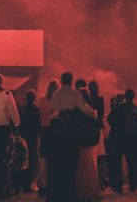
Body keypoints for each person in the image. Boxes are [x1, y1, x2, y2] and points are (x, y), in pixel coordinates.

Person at [47, 72, 93, 202]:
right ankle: (69, 194)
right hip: (69, 130)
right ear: (71, 81)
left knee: (58, 162)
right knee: (71, 162)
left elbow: (52, 111)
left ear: (62, 81)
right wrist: (91, 112)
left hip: (57, 131)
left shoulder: (56, 93)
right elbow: (84, 109)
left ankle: (57, 193)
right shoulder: (75, 93)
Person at [107, 88, 137, 192]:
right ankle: (133, 185)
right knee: (132, 162)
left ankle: (118, 186)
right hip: (132, 139)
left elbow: (110, 120)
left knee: (117, 162)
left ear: (125, 97)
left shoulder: (118, 108)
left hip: (119, 138)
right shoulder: (136, 108)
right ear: (133, 97)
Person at [75, 80, 100, 201]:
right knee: (91, 165)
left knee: (80, 166)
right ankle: (91, 189)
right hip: (90, 139)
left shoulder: (78, 107)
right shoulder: (91, 109)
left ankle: (81, 190)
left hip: (80, 139)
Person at [37, 80, 58, 197]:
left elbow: (39, 116)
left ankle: (42, 185)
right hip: (55, 132)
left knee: (43, 159)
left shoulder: (42, 100)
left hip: (44, 131)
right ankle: (52, 183)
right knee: (54, 159)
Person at [20, 89, 41, 192]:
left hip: (25, 136)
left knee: (25, 159)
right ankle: (30, 183)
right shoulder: (36, 109)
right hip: (33, 137)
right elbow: (38, 124)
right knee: (33, 160)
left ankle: (23, 182)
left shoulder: (23, 108)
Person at [88, 80, 107, 189]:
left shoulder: (87, 100)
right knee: (100, 156)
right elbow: (102, 114)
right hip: (98, 129)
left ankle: (95, 181)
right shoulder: (100, 99)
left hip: (90, 129)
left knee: (93, 157)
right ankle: (101, 181)